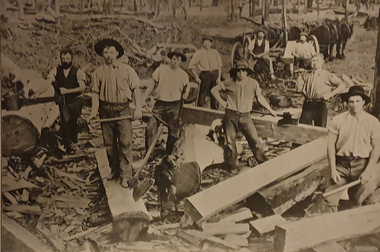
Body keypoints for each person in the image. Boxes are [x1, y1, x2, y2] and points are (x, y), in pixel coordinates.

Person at [87, 39, 143, 188]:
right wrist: (93, 112)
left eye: (111, 52)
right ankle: (114, 170)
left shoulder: (127, 70)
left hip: (122, 109)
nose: (108, 55)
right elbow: (95, 94)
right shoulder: (98, 73)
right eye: (105, 52)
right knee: (109, 144)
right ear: (102, 55)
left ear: (117, 53)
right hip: (105, 111)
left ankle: (126, 175)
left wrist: (138, 108)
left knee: (125, 142)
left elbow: (136, 89)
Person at [211, 60, 277, 167]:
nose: (240, 74)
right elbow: (214, 90)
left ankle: (264, 164)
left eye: (243, 71)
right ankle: (232, 166)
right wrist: (222, 102)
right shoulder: (228, 82)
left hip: (245, 116)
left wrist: (271, 110)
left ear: (247, 72)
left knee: (254, 140)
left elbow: (260, 98)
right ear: (235, 72)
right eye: (238, 71)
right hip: (230, 115)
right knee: (230, 142)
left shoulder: (253, 83)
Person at [326, 86, 380, 209]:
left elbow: (377, 148)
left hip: (362, 165)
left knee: (358, 200)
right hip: (341, 165)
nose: (354, 105)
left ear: (363, 103)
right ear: (347, 103)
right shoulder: (338, 120)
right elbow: (330, 145)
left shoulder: (373, 122)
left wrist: (367, 171)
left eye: (357, 101)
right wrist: (333, 169)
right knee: (329, 200)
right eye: (351, 101)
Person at [144, 48, 190, 154]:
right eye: (173, 59)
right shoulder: (161, 70)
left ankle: (168, 155)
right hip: (159, 105)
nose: (175, 61)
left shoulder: (183, 75)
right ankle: (149, 154)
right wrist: (144, 96)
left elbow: (185, 94)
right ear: (170, 59)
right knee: (150, 128)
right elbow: (152, 83)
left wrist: (185, 93)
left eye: (178, 60)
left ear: (180, 61)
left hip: (174, 105)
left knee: (173, 131)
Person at [47, 49, 86, 154]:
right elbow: (49, 78)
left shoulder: (78, 71)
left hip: (76, 100)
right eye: (63, 59)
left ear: (72, 59)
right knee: (66, 120)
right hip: (64, 101)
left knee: (74, 121)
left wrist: (68, 91)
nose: (65, 61)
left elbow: (82, 88)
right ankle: (68, 144)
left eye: (68, 59)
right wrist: (51, 81)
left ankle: (73, 141)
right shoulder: (56, 70)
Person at [296, 53, 346, 127]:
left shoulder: (326, 75)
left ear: (322, 62)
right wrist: (299, 79)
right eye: (313, 61)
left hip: (320, 104)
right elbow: (298, 89)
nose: (315, 63)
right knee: (303, 129)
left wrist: (330, 95)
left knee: (320, 130)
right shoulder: (306, 75)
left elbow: (342, 85)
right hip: (308, 104)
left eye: (317, 61)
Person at [189, 35, 222, 109]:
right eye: (205, 42)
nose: (206, 44)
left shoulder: (215, 53)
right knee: (202, 94)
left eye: (208, 42)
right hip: (205, 75)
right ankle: (200, 109)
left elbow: (219, 66)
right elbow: (191, 66)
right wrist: (196, 77)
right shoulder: (199, 53)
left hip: (215, 75)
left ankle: (215, 109)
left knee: (215, 93)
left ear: (211, 44)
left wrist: (219, 78)